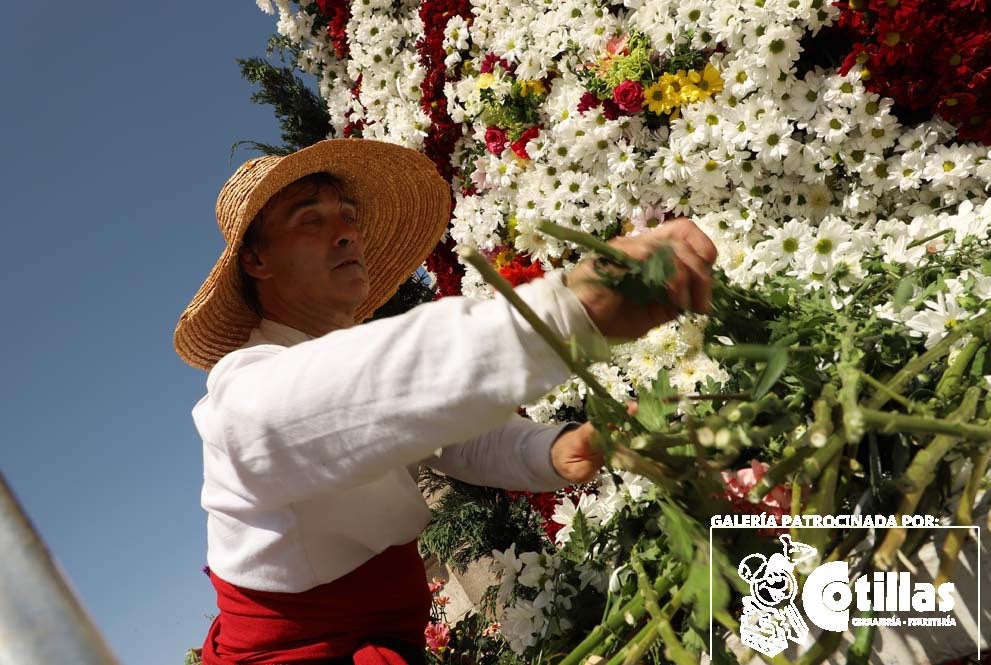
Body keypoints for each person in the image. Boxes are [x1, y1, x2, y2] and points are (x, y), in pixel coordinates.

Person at [174, 139, 717, 665]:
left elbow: (449, 436)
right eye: (309, 219)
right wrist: (564, 313)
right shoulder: (242, 393)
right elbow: (348, 397)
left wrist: (547, 449)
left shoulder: (346, 368)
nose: (345, 234)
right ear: (257, 262)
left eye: (348, 215)